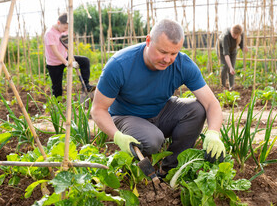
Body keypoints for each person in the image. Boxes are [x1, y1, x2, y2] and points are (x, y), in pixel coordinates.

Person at [91, 19, 225, 175]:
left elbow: (211, 104)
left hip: (160, 112)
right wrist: (117, 136)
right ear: (148, 41)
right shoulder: (120, 65)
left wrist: (213, 133)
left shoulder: (183, 65)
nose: (167, 59)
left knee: (197, 109)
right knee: (153, 139)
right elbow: (98, 109)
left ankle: (170, 170)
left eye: (173, 53)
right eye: (162, 52)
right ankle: (136, 171)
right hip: (126, 116)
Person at [44, 13, 95, 97]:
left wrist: (69, 47)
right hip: (54, 63)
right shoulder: (49, 33)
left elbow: (68, 43)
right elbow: (55, 52)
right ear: (58, 23)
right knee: (57, 89)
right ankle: (58, 106)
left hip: (65, 57)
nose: (66, 30)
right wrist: (67, 63)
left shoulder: (65, 30)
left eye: (67, 28)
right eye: (65, 28)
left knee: (85, 61)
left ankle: (86, 85)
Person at [216, 24, 249, 90]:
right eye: (234, 34)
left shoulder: (241, 34)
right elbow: (226, 54)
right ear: (231, 31)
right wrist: (230, 67)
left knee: (232, 68)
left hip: (233, 49)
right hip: (222, 49)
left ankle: (231, 86)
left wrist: (244, 48)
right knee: (225, 66)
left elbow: (241, 44)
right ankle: (223, 85)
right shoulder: (226, 36)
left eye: (237, 35)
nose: (235, 36)